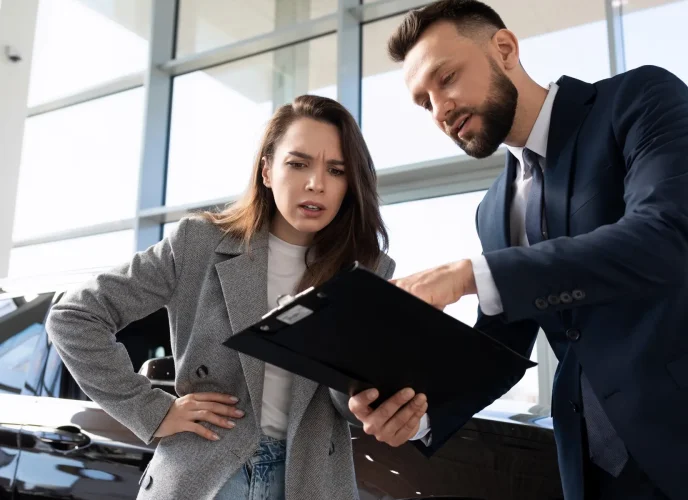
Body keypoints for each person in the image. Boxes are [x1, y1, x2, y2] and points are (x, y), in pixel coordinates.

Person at [351, 1, 688, 499]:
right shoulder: (493, 210)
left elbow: (667, 241)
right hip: (598, 473)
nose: (441, 109)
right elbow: (501, 349)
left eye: (448, 77)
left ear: (504, 49)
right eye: (424, 102)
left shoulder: (641, 99)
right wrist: (418, 413)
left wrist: (468, 275)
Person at [45, 95, 429, 500]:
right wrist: (153, 410)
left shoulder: (364, 272)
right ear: (266, 171)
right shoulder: (199, 242)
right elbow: (72, 316)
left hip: (311, 479)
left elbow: (343, 395)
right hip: (207, 473)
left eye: (336, 170)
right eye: (298, 164)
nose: (316, 183)